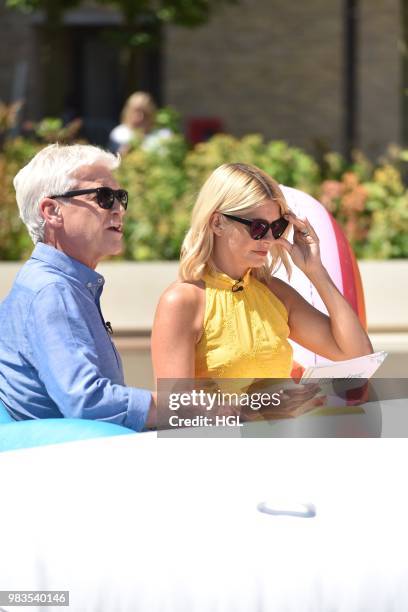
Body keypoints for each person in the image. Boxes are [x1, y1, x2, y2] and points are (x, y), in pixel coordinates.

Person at [152, 162, 373, 415]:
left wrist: (315, 270)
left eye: (277, 227)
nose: (269, 239)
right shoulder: (183, 300)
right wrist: (262, 407)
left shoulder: (275, 293)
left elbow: (357, 357)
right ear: (217, 223)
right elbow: (174, 411)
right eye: (257, 227)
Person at [0, 143, 156, 430]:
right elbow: (87, 401)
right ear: (52, 211)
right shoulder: (52, 291)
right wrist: (195, 408)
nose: (119, 209)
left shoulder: (61, 284)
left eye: (121, 197)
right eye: (104, 197)